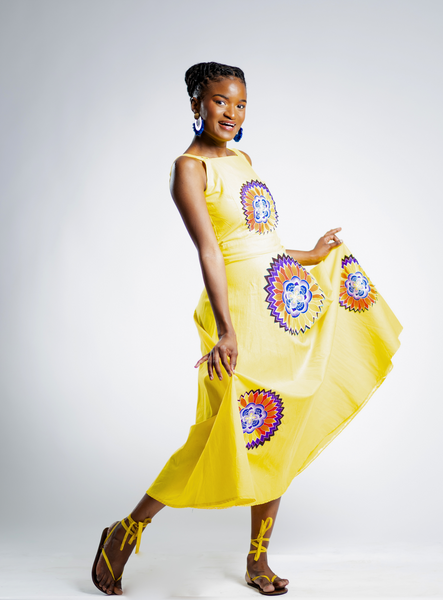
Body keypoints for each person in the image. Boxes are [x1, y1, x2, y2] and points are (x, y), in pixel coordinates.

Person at [92, 62, 402, 596]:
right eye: (219, 102)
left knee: (276, 428)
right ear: (196, 104)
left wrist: (313, 254)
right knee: (220, 432)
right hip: (236, 315)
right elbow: (211, 250)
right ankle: (126, 530)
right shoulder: (189, 169)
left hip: (282, 305)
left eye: (239, 104)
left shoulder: (243, 158)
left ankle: (258, 558)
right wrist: (226, 332)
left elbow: (265, 241)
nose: (230, 114)